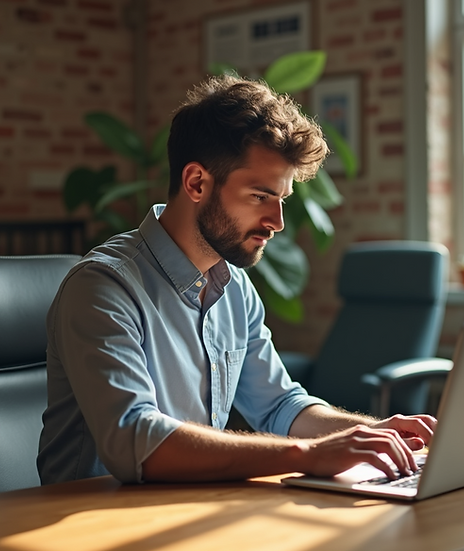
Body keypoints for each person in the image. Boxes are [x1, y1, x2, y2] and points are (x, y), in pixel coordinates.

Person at [37, 75, 436, 485]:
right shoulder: (103, 288)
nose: (278, 222)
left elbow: (280, 406)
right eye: (260, 196)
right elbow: (136, 442)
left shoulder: (233, 286)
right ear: (196, 183)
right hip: (91, 521)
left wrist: (377, 434)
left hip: (190, 509)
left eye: (281, 200)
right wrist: (310, 454)